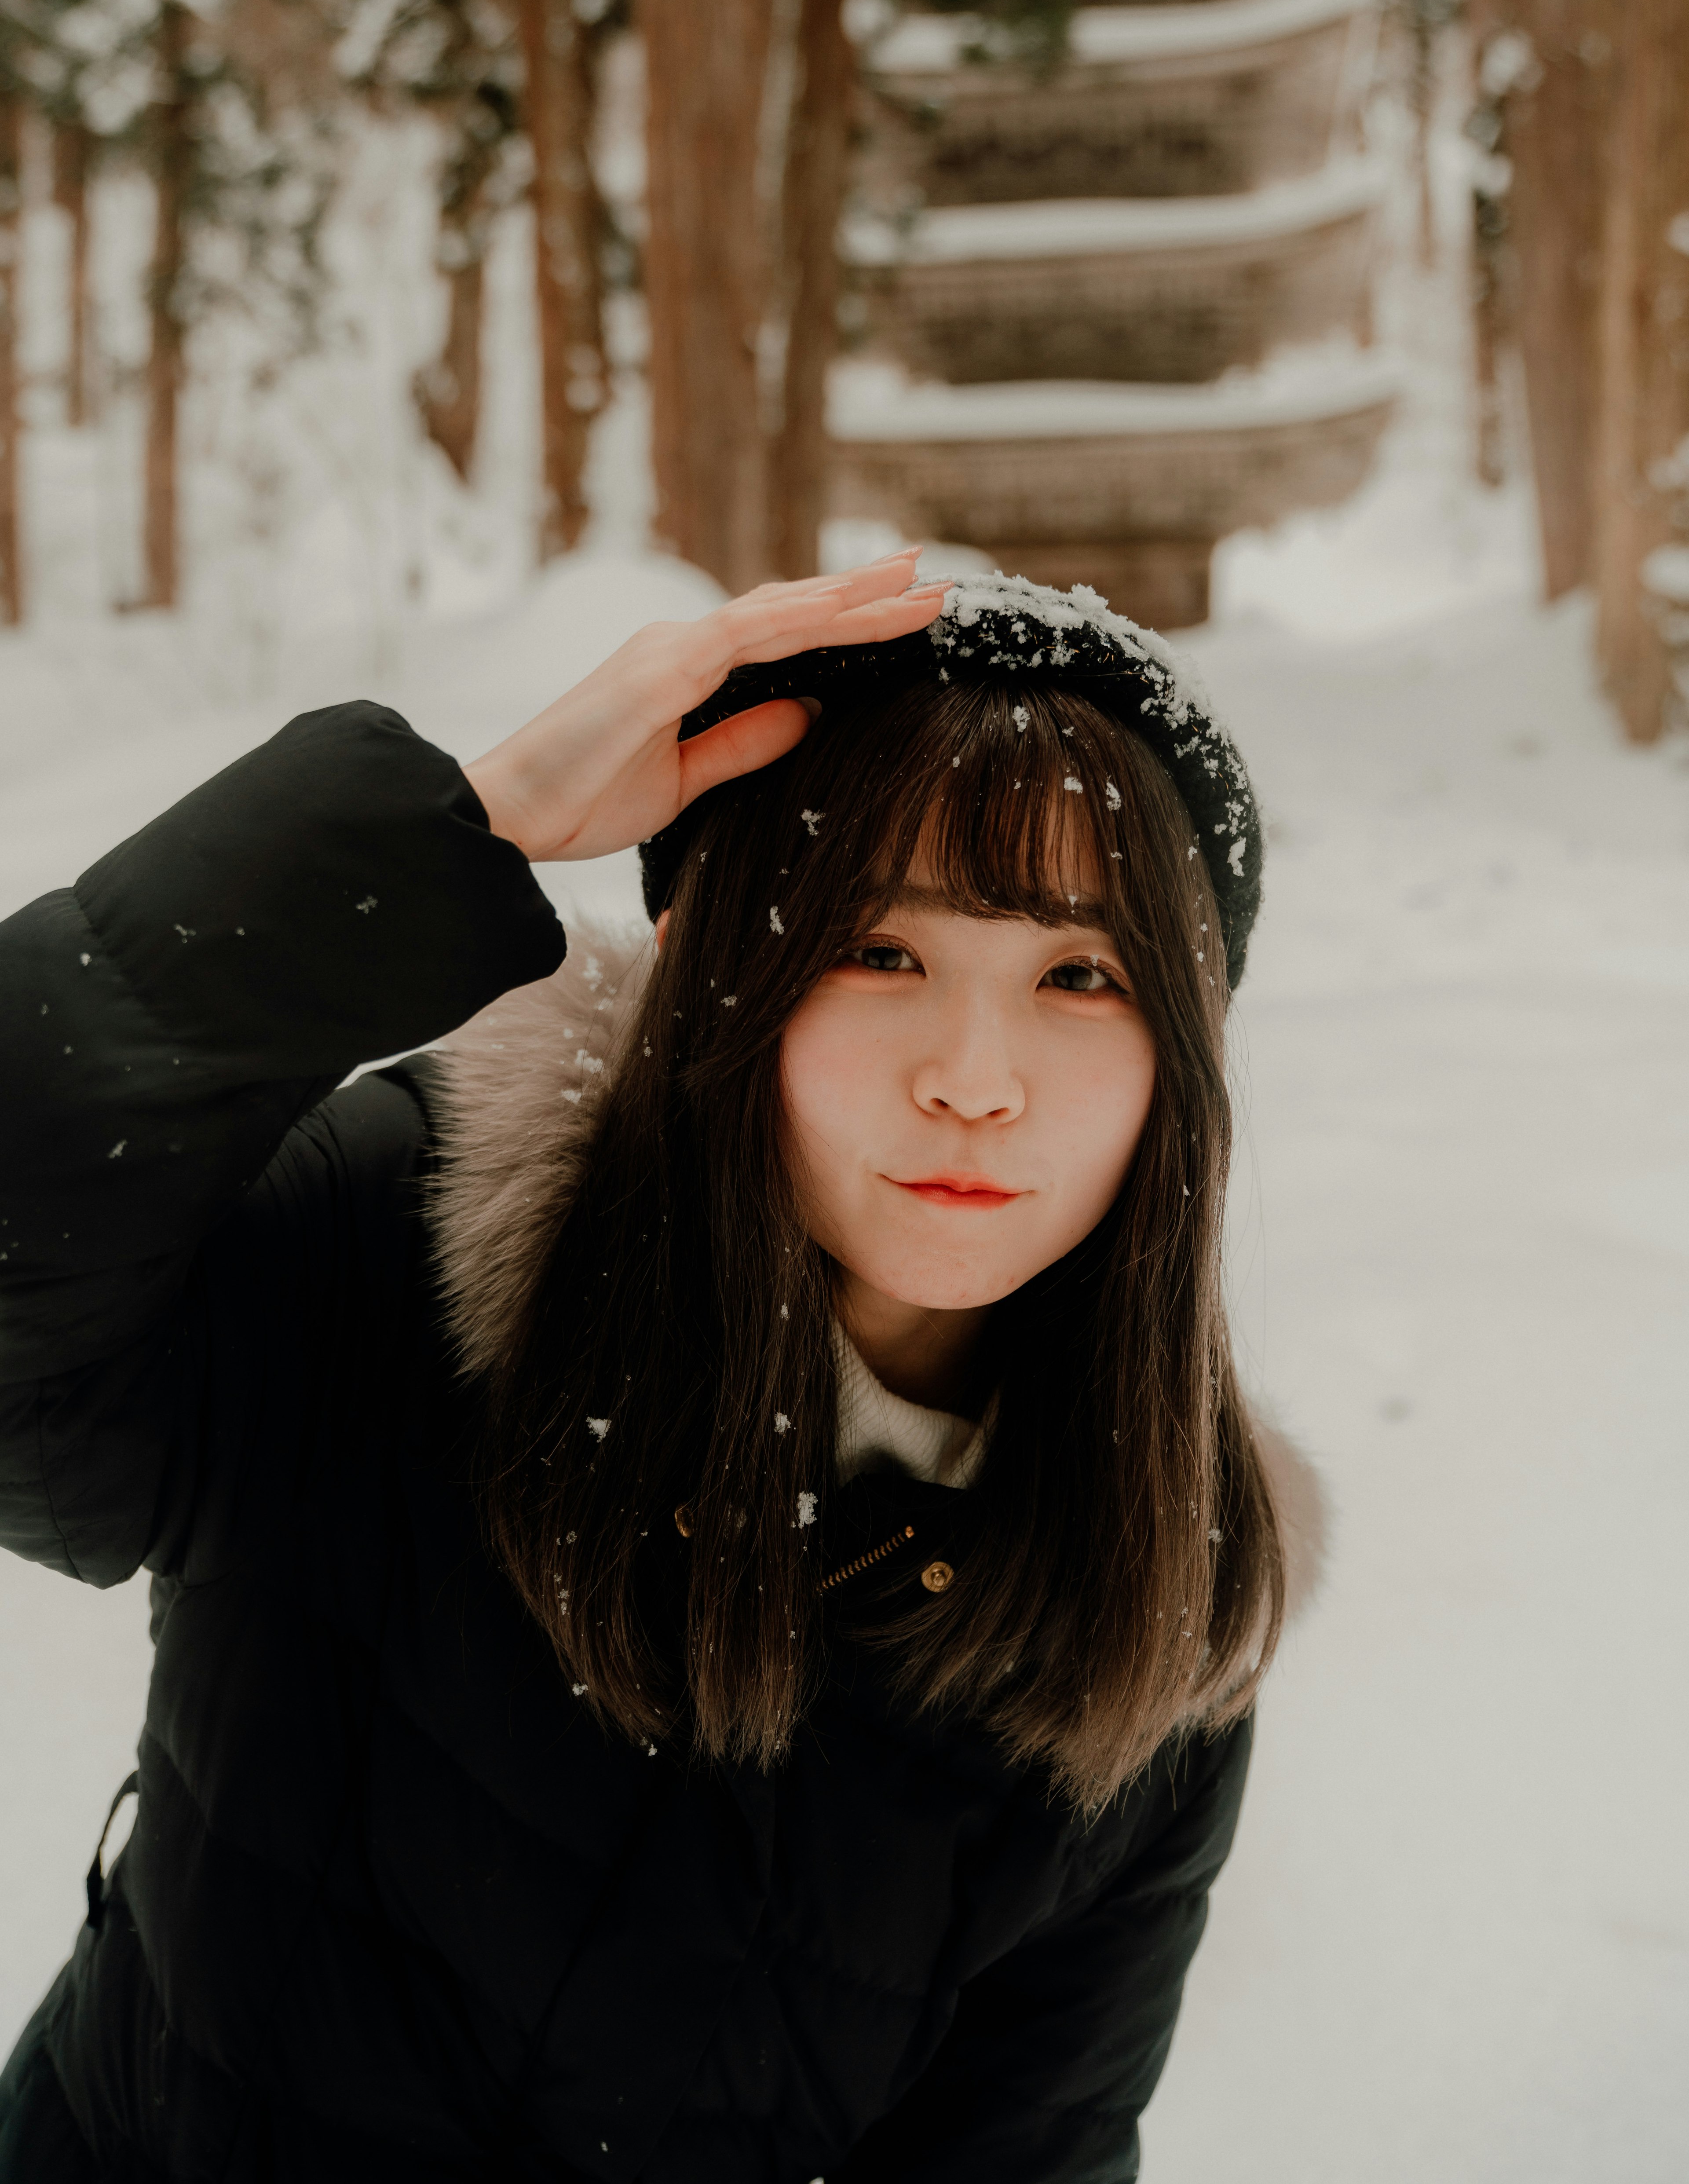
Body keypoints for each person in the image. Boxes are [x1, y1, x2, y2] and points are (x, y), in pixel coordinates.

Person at [0, 552, 1321, 2182]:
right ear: (727, 977)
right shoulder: (395, 1254)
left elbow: (1022, 2146)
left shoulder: (1150, 1583)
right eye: (881, 954)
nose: (977, 1082)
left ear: (1176, 1062)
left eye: (1080, 977)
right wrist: (453, 829)